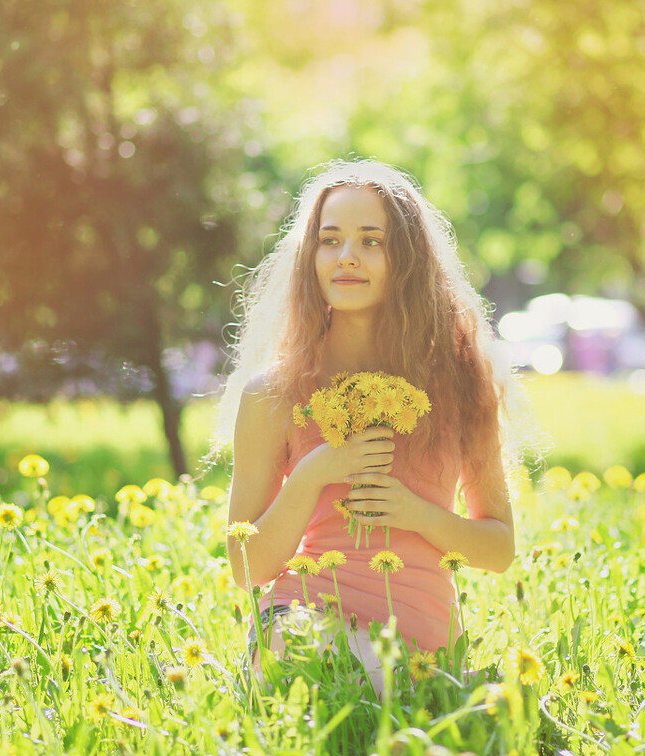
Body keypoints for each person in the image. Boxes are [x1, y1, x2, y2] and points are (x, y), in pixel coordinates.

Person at [214, 159, 532, 693]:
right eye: (330, 240)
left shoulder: (464, 382)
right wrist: (316, 472)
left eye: (371, 241)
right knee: (318, 653)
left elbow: (498, 549)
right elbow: (247, 567)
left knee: (417, 699)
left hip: (424, 643)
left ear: (406, 258)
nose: (346, 258)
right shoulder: (272, 393)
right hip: (299, 624)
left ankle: (425, 696)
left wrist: (416, 514)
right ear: (309, 256)